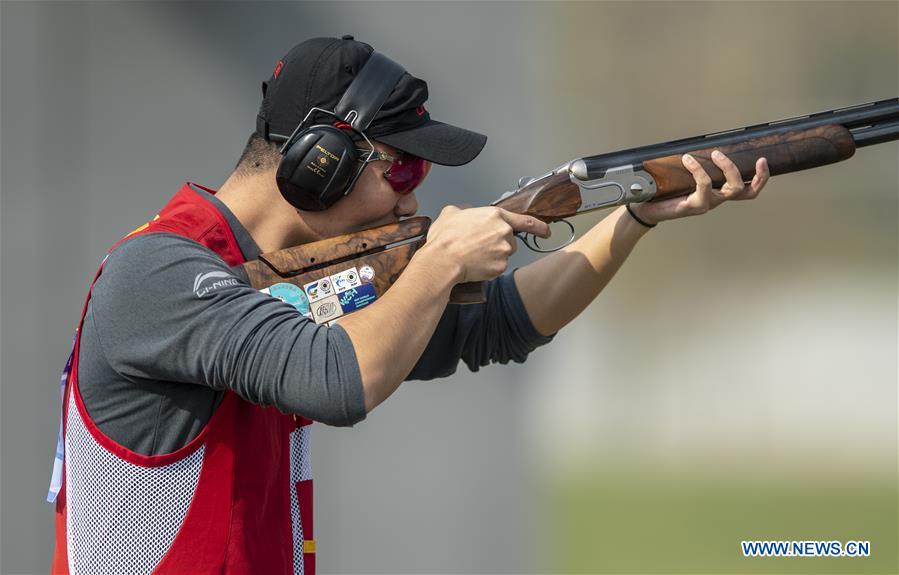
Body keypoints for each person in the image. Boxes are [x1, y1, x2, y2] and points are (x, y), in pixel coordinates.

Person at [49, 36, 769, 574]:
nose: (412, 196)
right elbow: (336, 380)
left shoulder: (259, 285)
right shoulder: (161, 273)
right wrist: (440, 262)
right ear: (318, 160)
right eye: (401, 166)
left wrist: (634, 215)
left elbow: (497, 325)